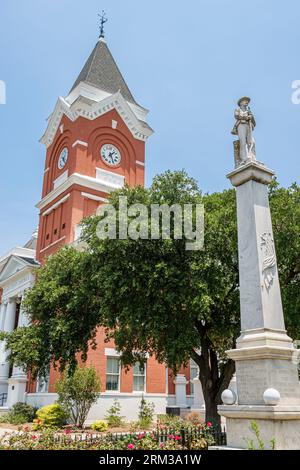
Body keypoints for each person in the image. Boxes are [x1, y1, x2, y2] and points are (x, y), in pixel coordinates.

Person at [232, 97, 256, 162]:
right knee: (243, 142)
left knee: (251, 142)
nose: (247, 102)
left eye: (247, 101)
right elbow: (237, 116)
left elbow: (254, 122)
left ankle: (252, 157)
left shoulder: (248, 111)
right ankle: (244, 158)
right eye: (245, 101)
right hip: (241, 125)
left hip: (248, 125)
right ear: (241, 103)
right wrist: (247, 117)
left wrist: (251, 116)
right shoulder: (238, 109)